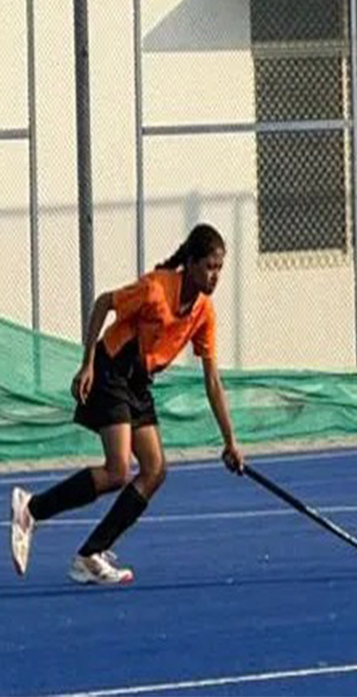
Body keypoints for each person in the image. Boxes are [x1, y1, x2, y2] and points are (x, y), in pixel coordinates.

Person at [10, 225, 243, 585]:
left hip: (137, 381)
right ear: (192, 264)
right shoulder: (156, 288)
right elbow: (104, 302)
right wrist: (87, 363)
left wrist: (230, 441)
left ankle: (89, 555)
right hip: (111, 367)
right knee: (118, 470)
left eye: (220, 269)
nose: (215, 276)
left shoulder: (203, 314)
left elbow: (212, 380)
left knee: (154, 470)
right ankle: (31, 508)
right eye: (210, 266)